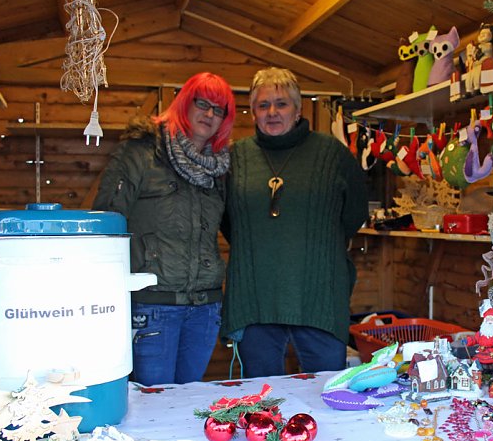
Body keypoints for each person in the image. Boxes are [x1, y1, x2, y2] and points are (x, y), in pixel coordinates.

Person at [222, 67, 368, 377]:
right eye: (263, 105)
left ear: (298, 109)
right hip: (255, 296)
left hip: (319, 296)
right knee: (261, 398)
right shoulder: (236, 158)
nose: (272, 112)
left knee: (326, 393)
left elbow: (354, 212)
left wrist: (316, 245)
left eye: (281, 104)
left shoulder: (331, 155)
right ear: (253, 113)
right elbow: (228, 220)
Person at [93, 72, 236, 385]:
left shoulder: (221, 167)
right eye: (203, 104)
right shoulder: (141, 152)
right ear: (185, 103)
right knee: (151, 405)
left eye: (219, 109)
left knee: (187, 401)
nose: (210, 114)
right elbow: (107, 221)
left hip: (205, 307)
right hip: (153, 304)